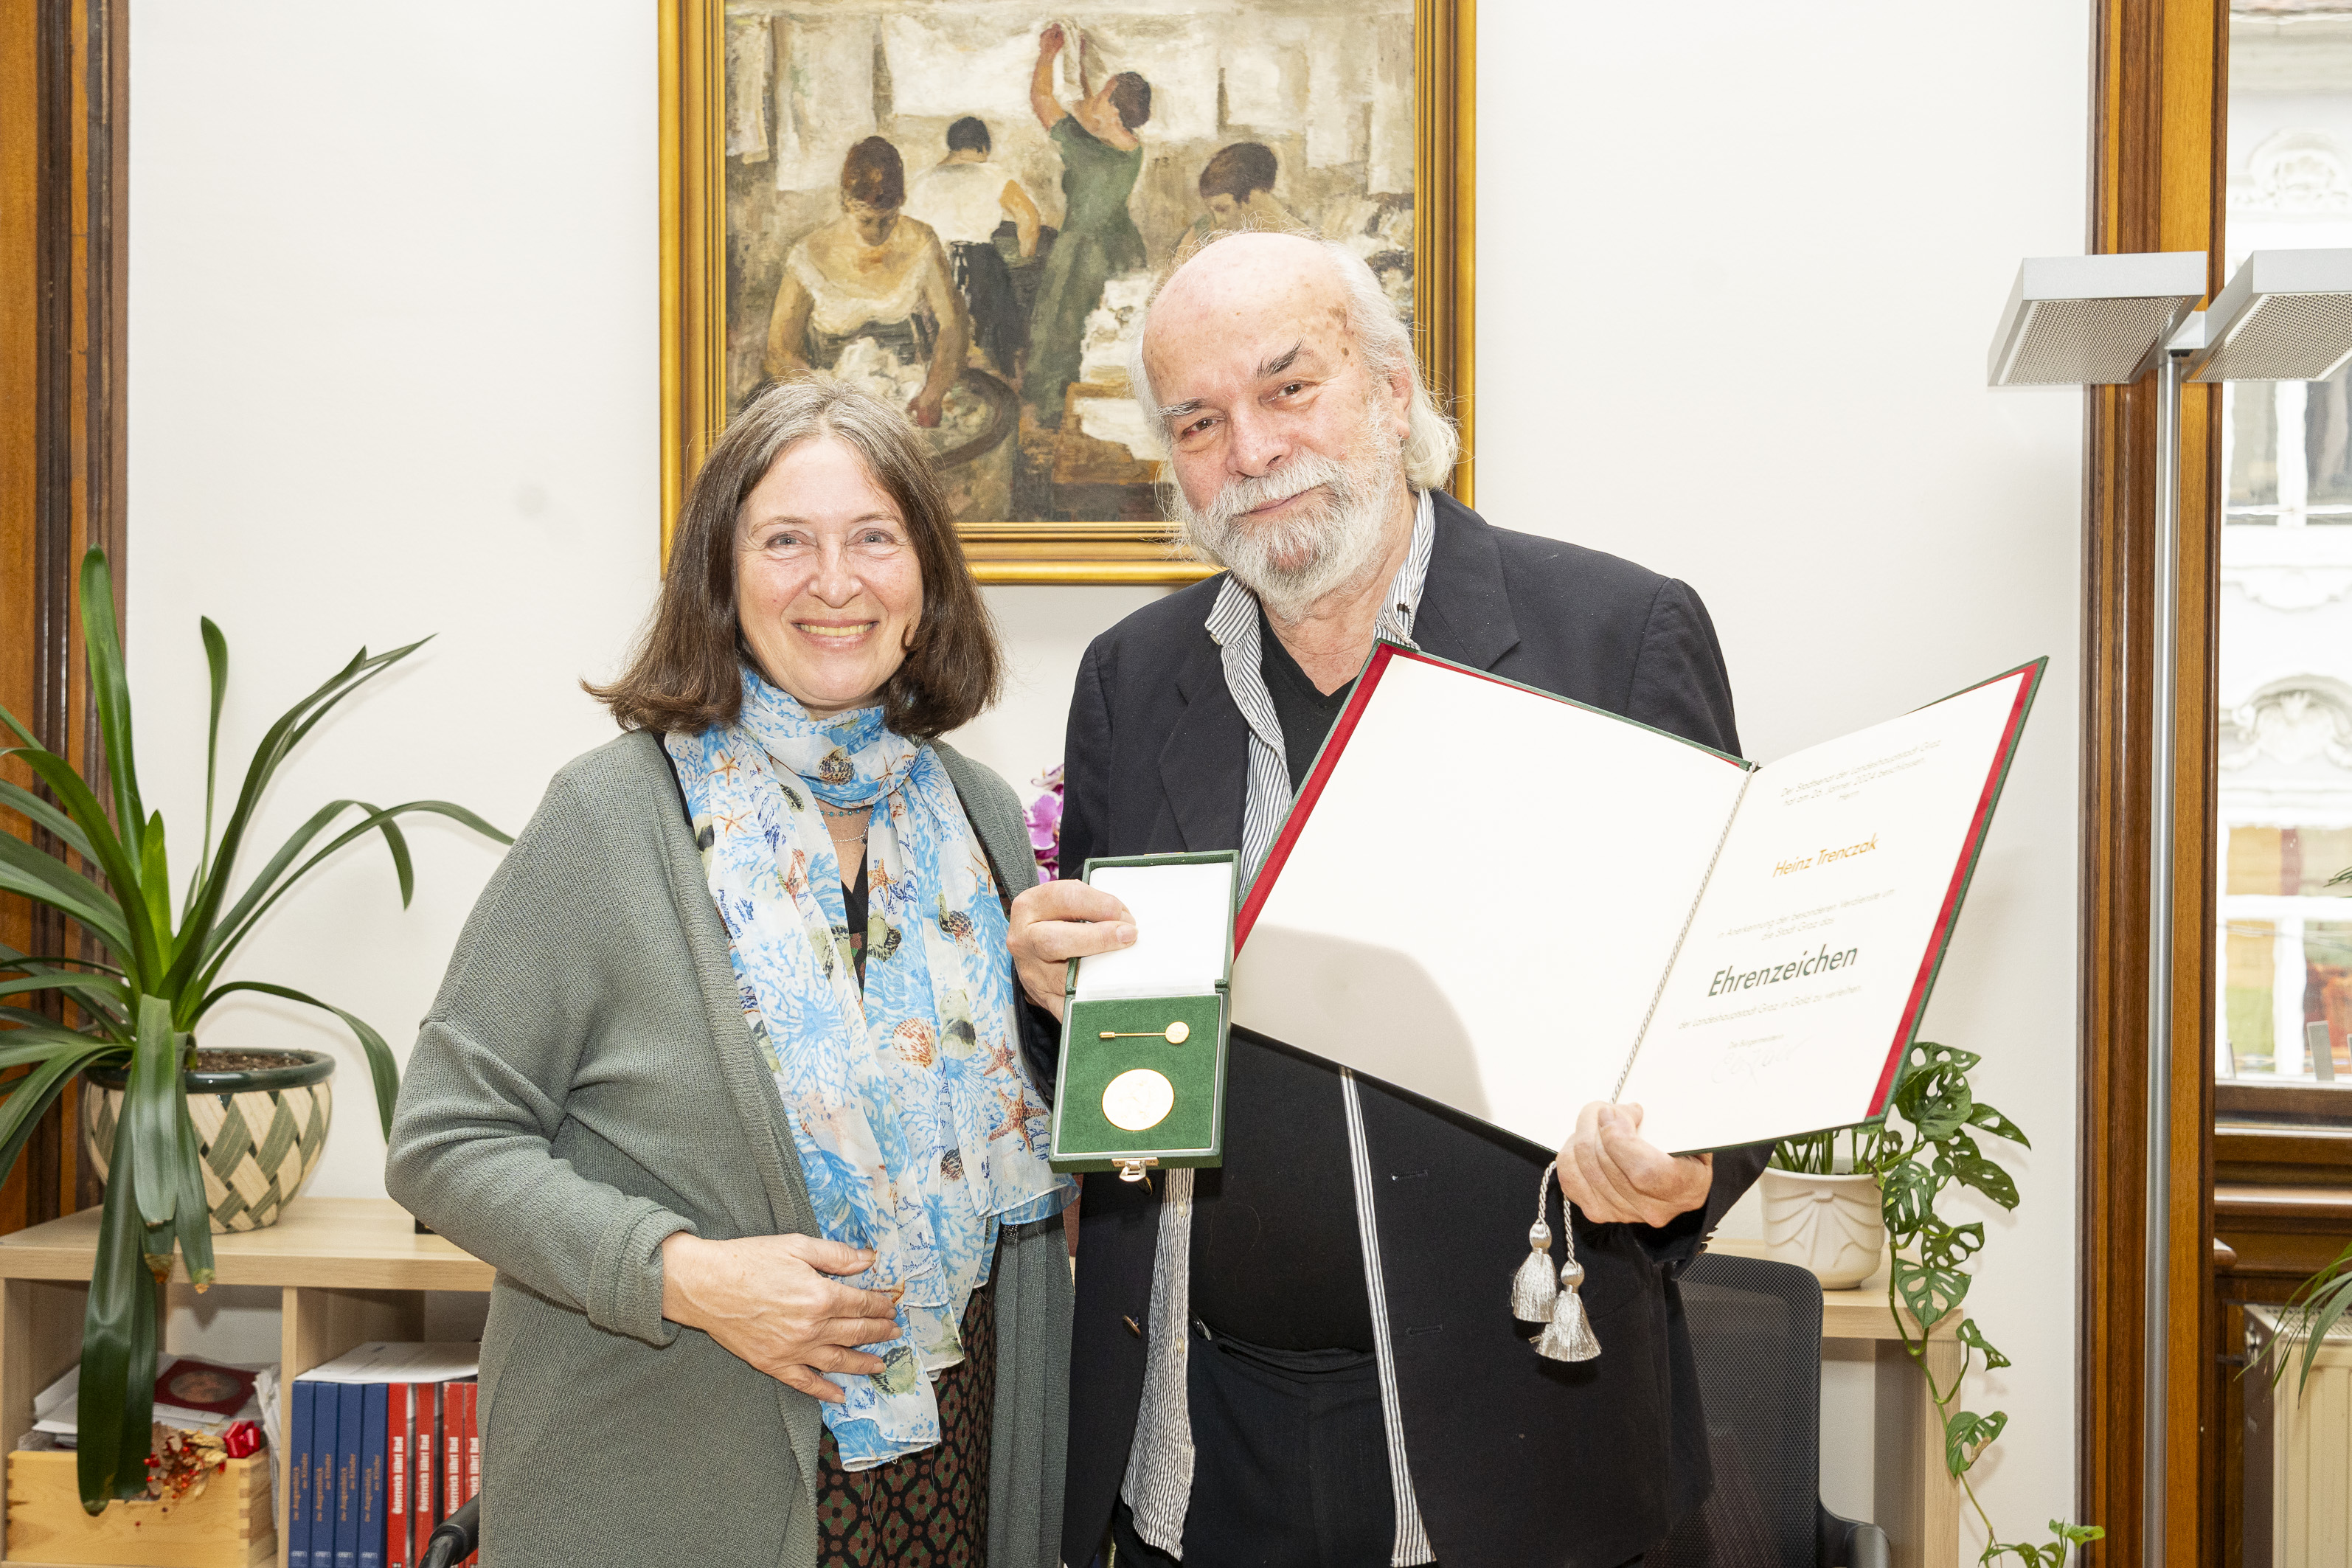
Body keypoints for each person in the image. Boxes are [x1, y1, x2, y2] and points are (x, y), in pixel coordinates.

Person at [1002, 231, 1771, 1568]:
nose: (1247, 449)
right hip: (1197, 1447)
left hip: (1515, 1441)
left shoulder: (1608, 636)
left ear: (1393, 390)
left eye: (1286, 388)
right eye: (1197, 420)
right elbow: (1112, 1046)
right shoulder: (1130, 678)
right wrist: (1049, 993)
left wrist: (1690, 1170)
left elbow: (1733, 1006)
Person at [386, 378, 1075, 1568]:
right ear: (721, 573)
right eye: (785, 541)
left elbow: (1015, 1155)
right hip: (672, 1492)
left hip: (947, 1491)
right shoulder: (607, 820)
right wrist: (688, 1276)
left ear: (926, 574)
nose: (834, 580)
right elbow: (442, 1142)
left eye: (873, 537)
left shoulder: (980, 821)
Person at [765, 139, 968, 428]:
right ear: (846, 202)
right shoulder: (809, 253)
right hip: (834, 403)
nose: (877, 232)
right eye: (865, 220)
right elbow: (780, 348)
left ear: (901, 202)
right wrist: (821, 404)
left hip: (909, 395)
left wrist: (932, 393)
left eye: (887, 220)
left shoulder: (921, 241)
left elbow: (951, 325)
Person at [1022, 22, 1149, 425]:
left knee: (1062, 335)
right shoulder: (1130, 148)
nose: (1095, 97)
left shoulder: (1086, 151)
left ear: (1113, 110)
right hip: (1121, 246)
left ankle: (1054, 417)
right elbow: (1087, 108)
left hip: (1082, 253)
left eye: (1104, 93)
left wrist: (1048, 53)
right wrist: (1080, 70)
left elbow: (1042, 98)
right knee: (1111, 333)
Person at [906, 116, 1041, 381]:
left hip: (933, 266)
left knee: (942, 337)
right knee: (998, 339)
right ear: (983, 148)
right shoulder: (991, 174)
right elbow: (1029, 218)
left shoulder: (920, 182)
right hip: (979, 265)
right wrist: (1027, 252)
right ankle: (1000, 385)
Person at [1184, 141, 1295, 247]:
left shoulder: (1294, 240)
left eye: (1223, 209)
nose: (1218, 222)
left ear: (1252, 197)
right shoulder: (1202, 232)